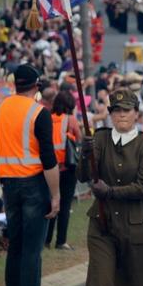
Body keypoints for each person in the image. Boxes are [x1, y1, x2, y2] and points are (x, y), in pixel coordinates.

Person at [77, 88, 143, 286]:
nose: (121, 115)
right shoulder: (99, 138)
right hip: (102, 224)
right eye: (116, 110)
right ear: (110, 114)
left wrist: (110, 192)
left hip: (137, 226)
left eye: (126, 110)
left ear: (136, 113)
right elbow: (83, 175)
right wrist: (84, 154)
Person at [0, 64, 60, 286]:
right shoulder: (39, 113)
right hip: (34, 184)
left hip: (9, 184)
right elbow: (49, 159)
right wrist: (55, 196)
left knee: (16, 248)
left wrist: (2, 180)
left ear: (14, 84)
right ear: (36, 86)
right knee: (32, 252)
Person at [45, 90, 82, 250]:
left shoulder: (46, 117)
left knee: (51, 202)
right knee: (65, 205)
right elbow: (79, 138)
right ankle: (61, 241)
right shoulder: (71, 119)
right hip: (67, 167)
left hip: (49, 168)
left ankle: (46, 240)